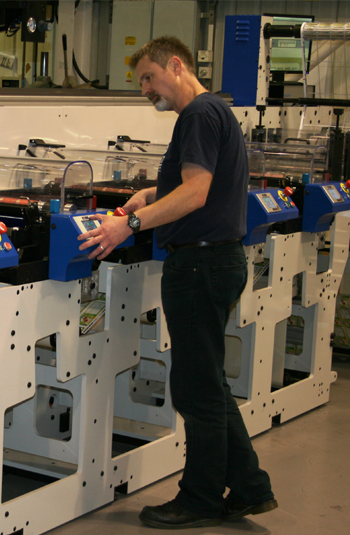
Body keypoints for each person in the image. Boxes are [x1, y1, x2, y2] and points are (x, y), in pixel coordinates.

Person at [77, 36, 278, 529]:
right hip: (216, 261)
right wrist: (149, 195)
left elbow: (196, 193)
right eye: (141, 82)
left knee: (196, 390)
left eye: (149, 77)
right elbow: (192, 187)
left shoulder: (197, 116)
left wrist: (131, 225)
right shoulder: (213, 113)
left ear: (175, 64)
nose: (146, 89)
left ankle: (200, 500)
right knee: (207, 383)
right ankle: (251, 487)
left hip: (200, 268)